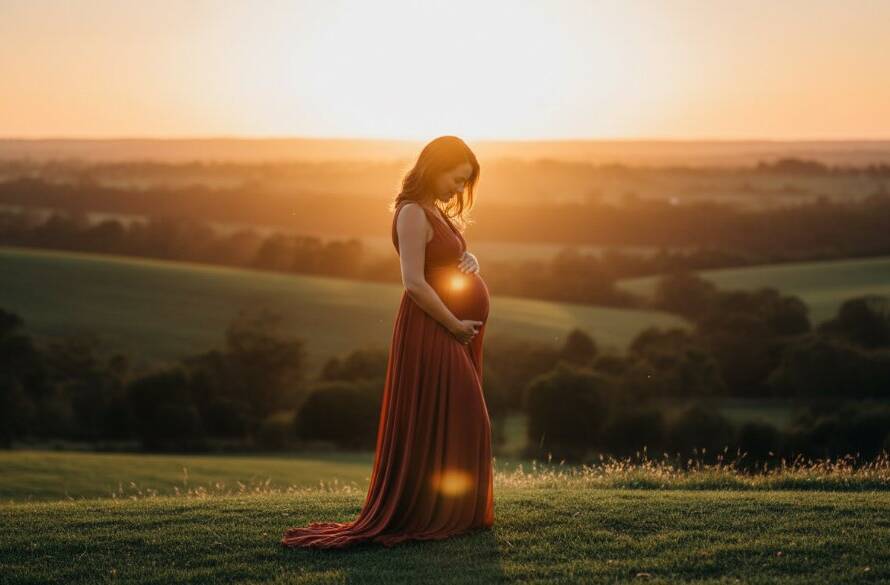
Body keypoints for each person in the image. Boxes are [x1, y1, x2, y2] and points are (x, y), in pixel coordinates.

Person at [281, 135, 494, 549]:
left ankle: (453, 511)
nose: (459, 188)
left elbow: (445, 261)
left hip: (451, 329)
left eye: (466, 181)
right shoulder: (413, 212)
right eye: (457, 177)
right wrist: (452, 325)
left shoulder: (435, 211)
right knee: (465, 416)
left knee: (457, 417)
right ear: (435, 167)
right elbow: (414, 283)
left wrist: (472, 261)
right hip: (433, 329)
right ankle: (431, 512)